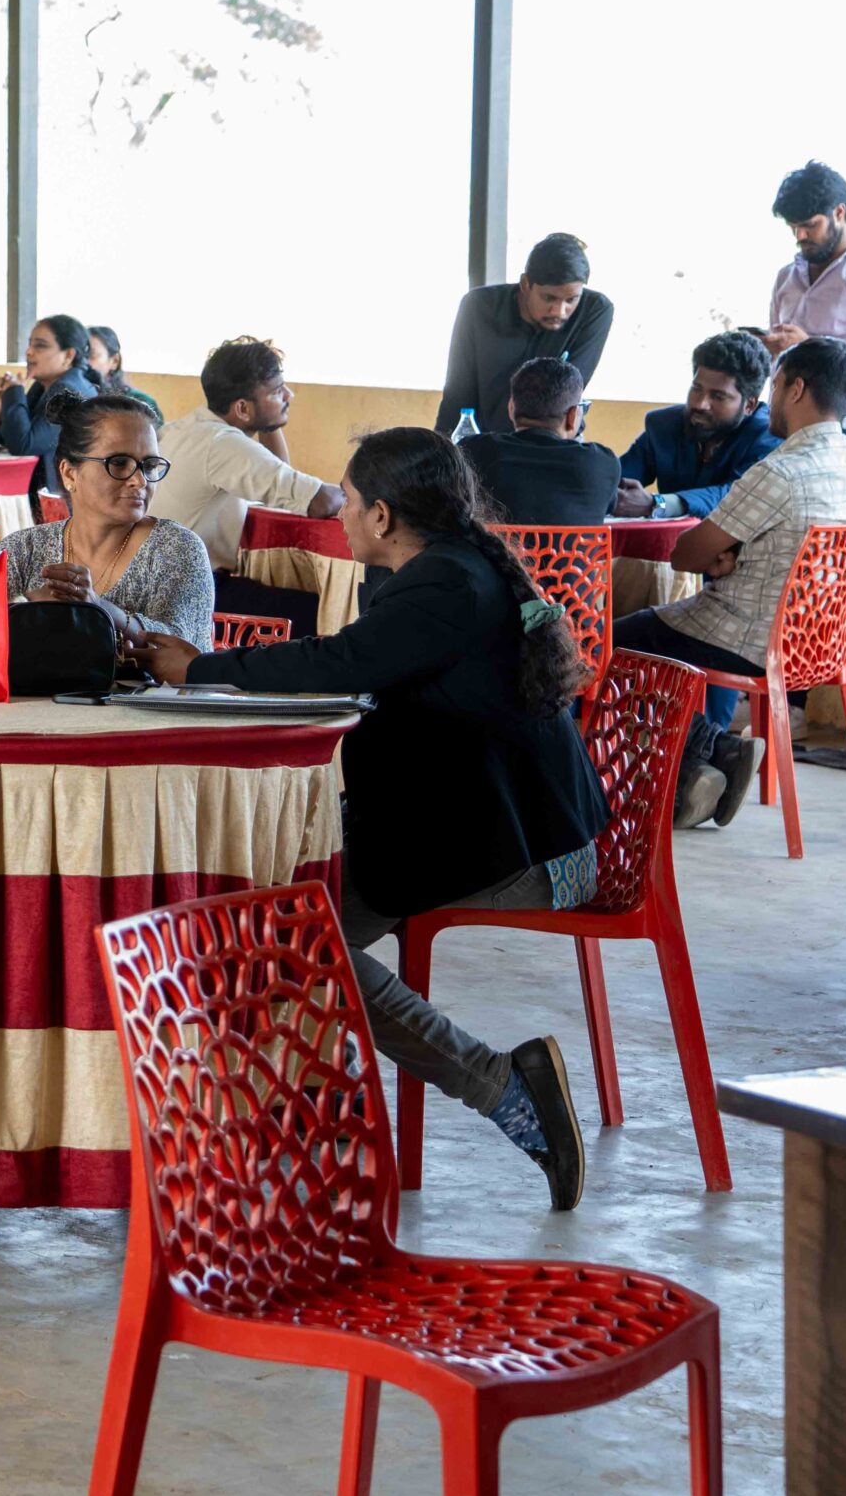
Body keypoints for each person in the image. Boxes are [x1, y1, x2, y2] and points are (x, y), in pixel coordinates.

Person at [134, 427, 607, 1210]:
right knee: (274, 933)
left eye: (349, 501)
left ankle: (494, 1086)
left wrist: (199, 668)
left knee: (285, 938)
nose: (341, 515)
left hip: (525, 850)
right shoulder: (441, 570)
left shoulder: (447, 584)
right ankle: (307, 1118)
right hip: (480, 826)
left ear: (382, 515)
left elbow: (340, 663)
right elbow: (355, 658)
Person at [613, 338, 846, 830]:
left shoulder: (779, 471)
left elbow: (686, 555)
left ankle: (706, 755)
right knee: (642, 644)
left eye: (776, 386)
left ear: (795, 389)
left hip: (744, 636)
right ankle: (709, 761)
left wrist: (720, 557)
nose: (772, 399)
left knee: (602, 649)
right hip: (814, 643)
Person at [150, 336, 343, 632]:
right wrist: (361, 495)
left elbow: (279, 476)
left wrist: (269, 421)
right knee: (317, 612)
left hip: (158, 583)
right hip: (187, 596)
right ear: (242, 408)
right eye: (277, 391)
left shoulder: (184, 428)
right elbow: (320, 501)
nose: (289, 395)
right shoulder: (223, 444)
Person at [1, 395, 212, 649]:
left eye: (149, 466)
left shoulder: (176, 548)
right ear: (69, 473)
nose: (140, 481)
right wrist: (24, 608)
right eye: (119, 463)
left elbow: (181, 649)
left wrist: (97, 608)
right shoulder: (23, 551)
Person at [764, 159, 846, 458]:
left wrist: (809, 346)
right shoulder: (786, 276)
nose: (800, 236)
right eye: (793, 227)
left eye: (810, 225)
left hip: (840, 420)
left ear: (839, 213)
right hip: (781, 417)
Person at [438, 233, 614, 435]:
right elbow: (458, 389)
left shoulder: (595, 310)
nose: (559, 311)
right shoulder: (479, 306)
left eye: (571, 300)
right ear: (525, 283)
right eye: (549, 298)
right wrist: (442, 446)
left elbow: (567, 393)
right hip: (484, 440)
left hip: (555, 439)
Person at [613, 330, 782, 520]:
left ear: (749, 405)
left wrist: (656, 504)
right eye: (696, 389)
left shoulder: (768, 437)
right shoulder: (664, 425)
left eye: (718, 396)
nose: (700, 404)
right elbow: (617, 479)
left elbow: (736, 497)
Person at [457, 357, 622, 527]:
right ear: (572, 415)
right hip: (570, 547)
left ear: (511, 408)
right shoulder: (601, 463)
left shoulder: (472, 451)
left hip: (490, 546)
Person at [0, 314, 103, 493]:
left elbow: (24, 446)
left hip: (61, 500)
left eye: (40, 345)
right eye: (30, 344)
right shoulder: (43, 387)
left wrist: (14, 391)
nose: (28, 352)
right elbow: (4, 444)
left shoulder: (69, 391)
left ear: (68, 355)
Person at [85, 324, 163, 423]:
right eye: (80, 356)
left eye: (91, 355)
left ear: (114, 361)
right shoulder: (71, 396)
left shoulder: (140, 402)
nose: (84, 362)